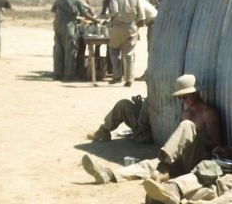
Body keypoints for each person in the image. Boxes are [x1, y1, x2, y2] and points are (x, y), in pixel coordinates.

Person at [82, 74, 223, 183]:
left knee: (187, 126)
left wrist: (194, 135)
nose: (182, 101)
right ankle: (108, 175)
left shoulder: (208, 113)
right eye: (180, 98)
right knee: (147, 165)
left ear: (195, 93)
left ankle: (164, 164)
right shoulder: (186, 113)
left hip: (198, 159)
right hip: (179, 158)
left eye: (185, 97)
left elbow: (216, 145)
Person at [51, 0, 93, 81]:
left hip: (57, 24)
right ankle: (68, 75)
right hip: (69, 25)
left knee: (58, 50)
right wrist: (96, 20)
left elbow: (53, 10)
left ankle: (57, 74)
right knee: (70, 50)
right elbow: (85, 14)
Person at [108, 0, 141, 87]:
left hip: (118, 27)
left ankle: (117, 76)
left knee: (113, 50)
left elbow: (114, 11)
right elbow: (141, 16)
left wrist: (110, 19)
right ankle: (129, 79)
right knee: (129, 54)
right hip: (131, 27)